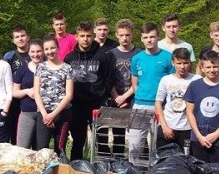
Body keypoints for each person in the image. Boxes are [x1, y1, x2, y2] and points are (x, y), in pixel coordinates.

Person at [64, 22, 114, 160]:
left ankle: (105, 168)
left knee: (101, 140)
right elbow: (66, 82)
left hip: (98, 105)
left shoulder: (104, 55)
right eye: (82, 36)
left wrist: (103, 96)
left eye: (88, 36)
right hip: (77, 105)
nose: (85, 39)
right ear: (76, 37)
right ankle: (76, 167)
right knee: (78, 140)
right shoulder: (69, 58)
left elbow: (109, 78)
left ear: (93, 36)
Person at [128, 23, 174, 162]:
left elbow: (171, 83)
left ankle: (158, 172)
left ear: (158, 37)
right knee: (135, 144)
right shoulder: (137, 58)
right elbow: (134, 83)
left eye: (152, 37)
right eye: (145, 37)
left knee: (158, 145)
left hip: (161, 107)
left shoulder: (168, 57)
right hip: (140, 105)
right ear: (141, 39)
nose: (149, 40)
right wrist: (140, 96)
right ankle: (134, 172)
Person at [184, 51, 219, 163]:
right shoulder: (194, 85)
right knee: (199, 173)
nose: (212, 70)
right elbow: (189, 112)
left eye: (215, 66)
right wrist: (199, 136)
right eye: (208, 67)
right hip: (198, 138)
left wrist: (216, 134)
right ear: (202, 68)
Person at [33, 35, 74, 156]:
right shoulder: (40, 67)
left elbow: (69, 95)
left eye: (52, 48)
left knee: (59, 148)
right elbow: (36, 92)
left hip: (62, 113)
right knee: (41, 148)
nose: (50, 51)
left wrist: (53, 115)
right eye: (46, 49)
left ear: (58, 48)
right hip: (43, 113)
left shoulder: (67, 68)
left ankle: (58, 173)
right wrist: (45, 115)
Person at [155, 48, 200, 155]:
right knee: (164, 161)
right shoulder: (166, 80)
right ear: (173, 63)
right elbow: (158, 103)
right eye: (179, 63)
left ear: (190, 62)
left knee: (186, 161)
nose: (182, 66)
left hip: (188, 129)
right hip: (168, 126)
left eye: (185, 63)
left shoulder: (197, 79)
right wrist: (164, 126)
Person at [108, 19, 140, 155]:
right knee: (118, 135)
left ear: (132, 34)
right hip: (115, 99)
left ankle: (139, 165)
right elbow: (107, 78)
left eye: (127, 35)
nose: (124, 38)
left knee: (137, 135)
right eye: (121, 35)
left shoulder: (139, 54)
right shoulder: (111, 54)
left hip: (134, 98)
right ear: (116, 35)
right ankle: (118, 164)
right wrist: (117, 97)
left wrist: (125, 97)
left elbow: (140, 80)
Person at [3, 25, 32, 143]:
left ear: (28, 37)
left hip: (33, 99)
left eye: (23, 36)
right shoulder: (9, 56)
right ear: (13, 40)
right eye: (17, 37)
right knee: (15, 133)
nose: (20, 39)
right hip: (15, 100)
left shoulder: (35, 53)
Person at [14, 39, 43, 149]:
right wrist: (27, 91)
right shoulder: (23, 69)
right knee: (22, 147)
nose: (36, 55)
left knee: (40, 148)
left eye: (38, 51)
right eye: (33, 52)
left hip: (43, 113)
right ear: (29, 52)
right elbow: (14, 92)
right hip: (27, 112)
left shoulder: (48, 68)